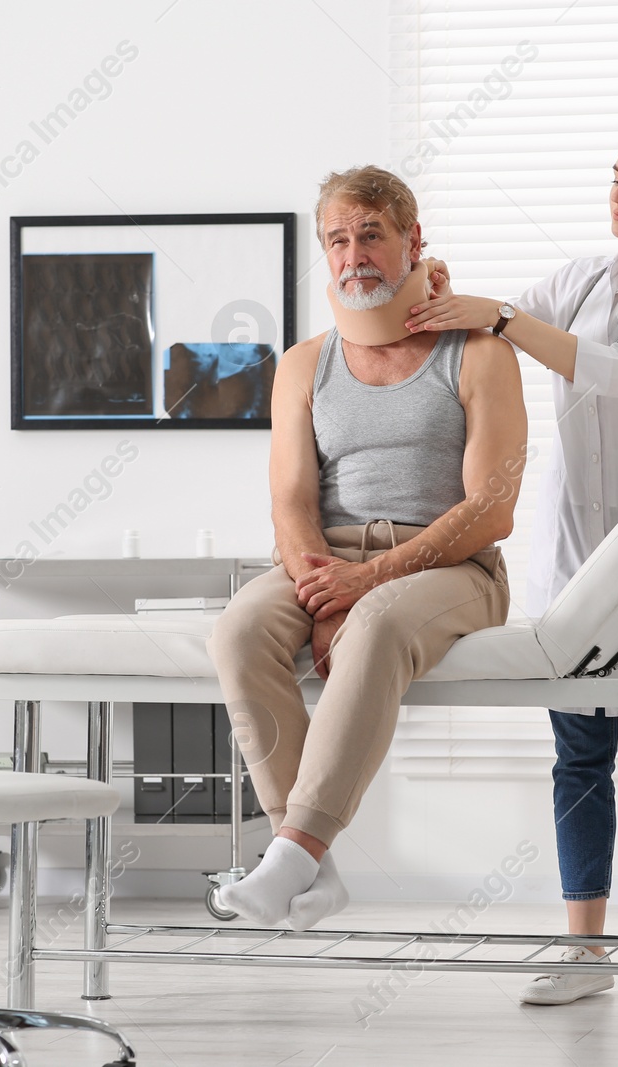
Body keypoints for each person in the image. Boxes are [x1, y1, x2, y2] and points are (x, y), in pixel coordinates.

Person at [405, 128, 618, 1008]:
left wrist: (504, 316)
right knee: (579, 756)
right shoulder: (577, 279)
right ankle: (584, 953)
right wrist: (440, 291)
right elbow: (491, 335)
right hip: (575, 556)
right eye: (616, 180)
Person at [208, 164, 527, 931]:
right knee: (240, 629)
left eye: (373, 235)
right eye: (338, 239)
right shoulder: (301, 363)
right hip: (328, 556)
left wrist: (370, 582)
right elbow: (290, 498)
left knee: (379, 623)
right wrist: (323, 584)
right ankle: (310, 865)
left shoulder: (478, 352)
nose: (354, 254)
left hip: (451, 562)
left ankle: (289, 857)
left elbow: (492, 509)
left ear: (414, 241)